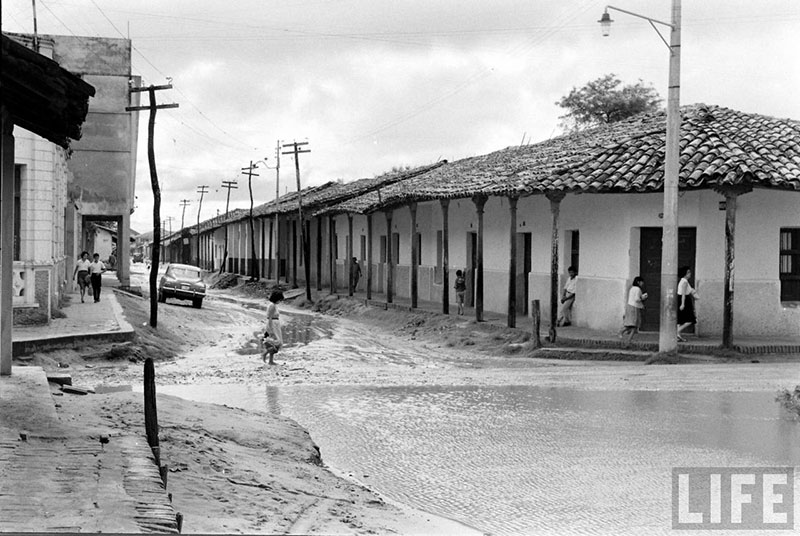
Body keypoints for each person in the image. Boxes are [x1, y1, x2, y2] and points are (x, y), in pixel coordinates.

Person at [619, 277, 648, 345]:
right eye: (641, 282)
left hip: (631, 307)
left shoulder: (632, 288)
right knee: (633, 325)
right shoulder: (638, 289)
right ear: (638, 282)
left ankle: (628, 339)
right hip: (634, 308)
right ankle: (623, 333)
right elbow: (637, 299)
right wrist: (643, 297)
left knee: (632, 324)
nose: (642, 283)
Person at [262, 290, 285, 365]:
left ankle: (270, 360)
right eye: (280, 299)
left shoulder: (274, 305)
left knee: (274, 342)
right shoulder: (272, 305)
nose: (280, 301)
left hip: (275, 325)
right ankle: (266, 354)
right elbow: (270, 318)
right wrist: (270, 329)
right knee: (276, 342)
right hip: (273, 325)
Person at [677, 266, 698, 342]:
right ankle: (677, 331)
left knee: (680, 319)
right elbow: (683, 294)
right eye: (688, 272)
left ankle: (678, 335)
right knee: (690, 319)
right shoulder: (684, 282)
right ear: (685, 274)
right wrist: (682, 304)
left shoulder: (684, 281)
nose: (690, 274)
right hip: (684, 300)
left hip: (682, 299)